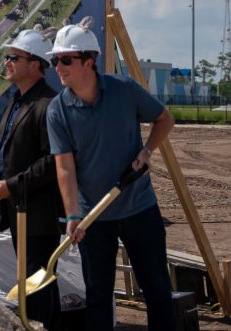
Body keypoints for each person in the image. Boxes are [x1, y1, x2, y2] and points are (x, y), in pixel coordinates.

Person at [46, 17, 175, 330]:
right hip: (93, 218)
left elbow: (164, 120)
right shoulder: (57, 110)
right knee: (99, 294)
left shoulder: (124, 90)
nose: (58, 67)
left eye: (65, 60)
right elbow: (65, 168)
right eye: (54, 60)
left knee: (157, 289)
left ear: (89, 62)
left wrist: (146, 151)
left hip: (138, 207)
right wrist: (73, 215)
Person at [0, 26, 61, 330]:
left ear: (35, 64)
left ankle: (43, 326)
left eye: (14, 57)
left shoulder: (48, 104)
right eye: (7, 57)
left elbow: (52, 161)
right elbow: (2, 147)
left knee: (37, 281)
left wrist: (12, 186)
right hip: (18, 209)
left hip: (38, 212)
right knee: (28, 279)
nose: (7, 63)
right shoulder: (16, 101)